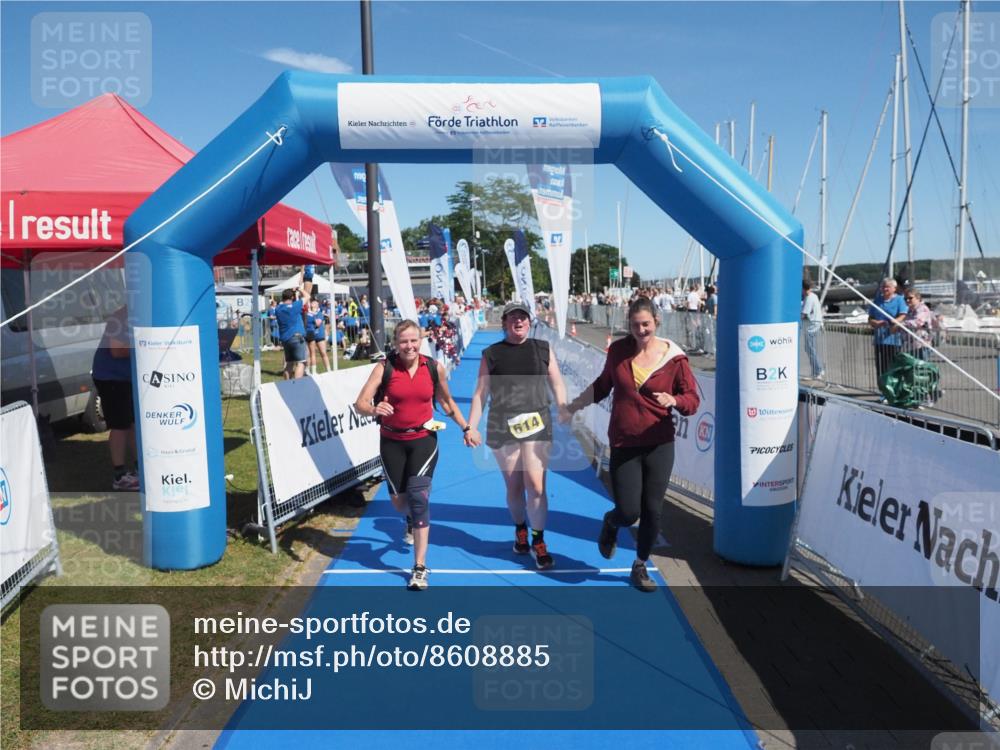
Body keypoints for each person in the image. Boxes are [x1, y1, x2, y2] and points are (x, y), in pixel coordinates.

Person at [565, 296, 700, 592]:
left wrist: (674, 400)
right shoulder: (618, 351)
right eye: (636, 325)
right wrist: (573, 406)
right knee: (628, 511)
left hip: (659, 443)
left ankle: (639, 565)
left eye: (646, 324)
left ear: (657, 322)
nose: (641, 330)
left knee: (653, 510)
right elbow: (603, 386)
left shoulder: (674, 358)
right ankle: (611, 524)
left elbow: (692, 401)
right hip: (625, 441)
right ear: (629, 324)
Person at [354, 320, 474, 590]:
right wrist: (374, 410)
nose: (409, 346)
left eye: (413, 340)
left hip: (423, 440)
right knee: (399, 501)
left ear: (421, 340)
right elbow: (360, 403)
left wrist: (466, 427)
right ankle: (408, 519)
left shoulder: (433, 368)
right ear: (395, 344)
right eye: (403, 341)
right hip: (391, 442)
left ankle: (419, 567)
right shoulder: (383, 368)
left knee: (419, 498)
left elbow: (445, 401)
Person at [466, 302, 569, 570]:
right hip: (503, 424)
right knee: (514, 487)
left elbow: (556, 382)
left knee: (535, 485)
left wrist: (562, 406)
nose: (518, 321)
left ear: (529, 321)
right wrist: (471, 426)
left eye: (523, 317)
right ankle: (520, 530)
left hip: (537, 422)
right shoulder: (492, 354)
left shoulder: (543, 349)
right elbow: (480, 394)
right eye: (513, 317)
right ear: (505, 323)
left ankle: (538, 540)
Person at [92, 305, 139, 491]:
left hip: (127, 377)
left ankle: (139, 468)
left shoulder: (140, 315)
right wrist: (147, 346)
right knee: (120, 425)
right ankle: (119, 476)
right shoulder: (119, 318)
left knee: (134, 423)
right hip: (111, 377)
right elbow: (117, 351)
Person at [897, 288, 939, 406]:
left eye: (910, 298)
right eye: (906, 298)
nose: (907, 300)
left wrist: (900, 323)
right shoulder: (910, 310)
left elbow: (918, 322)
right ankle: (919, 396)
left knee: (922, 372)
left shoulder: (922, 309)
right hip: (912, 346)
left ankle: (930, 396)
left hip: (922, 345)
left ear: (918, 298)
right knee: (915, 372)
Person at [868, 278, 908, 389]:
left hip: (894, 339)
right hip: (879, 339)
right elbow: (870, 317)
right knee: (881, 366)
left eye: (887, 287)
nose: (885, 289)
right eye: (883, 286)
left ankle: (894, 388)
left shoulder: (900, 299)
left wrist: (895, 322)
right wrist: (875, 322)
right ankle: (883, 389)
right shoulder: (877, 300)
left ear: (894, 288)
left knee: (893, 366)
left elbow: (903, 315)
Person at [275, 287, 308, 379]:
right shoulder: (295, 307)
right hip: (297, 338)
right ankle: (297, 386)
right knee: (301, 363)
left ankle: (287, 385)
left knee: (289, 363)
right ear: (292, 298)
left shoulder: (278, 309)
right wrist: (300, 289)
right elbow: (307, 296)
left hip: (285, 340)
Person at [801, 280, 825, 379]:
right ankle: (817, 370)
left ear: (803, 289)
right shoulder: (814, 296)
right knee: (810, 348)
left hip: (811, 327)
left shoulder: (809, 298)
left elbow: (804, 314)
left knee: (810, 349)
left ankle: (818, 370)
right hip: (815, 325)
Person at [306, 298, 331, 375]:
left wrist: (313, 315)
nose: (312, 303)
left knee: (323, 352)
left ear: (317, 305)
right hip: (310, 335)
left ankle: (328, 370)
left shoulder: (319, 313)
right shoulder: (308, 313)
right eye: (312, 302)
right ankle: (308, 370)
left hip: (319, 335)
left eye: (314, 303)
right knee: (309, 353)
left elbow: (318, 323)